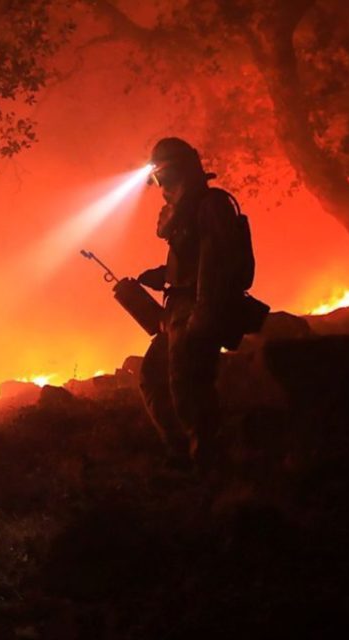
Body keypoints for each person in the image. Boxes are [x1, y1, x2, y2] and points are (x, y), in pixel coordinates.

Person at [138, 137, 252, 472]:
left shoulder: (211, 207)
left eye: (160, 178)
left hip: (196, 311)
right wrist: (163, 275)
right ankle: (179, 451)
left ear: (173, 172)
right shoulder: (191, 212)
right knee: (154, 377)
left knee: (188, 385)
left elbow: (216, 265)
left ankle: (207, 462)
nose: (159, 188)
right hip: (180, 310)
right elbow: (194, 259)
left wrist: (204, 315)